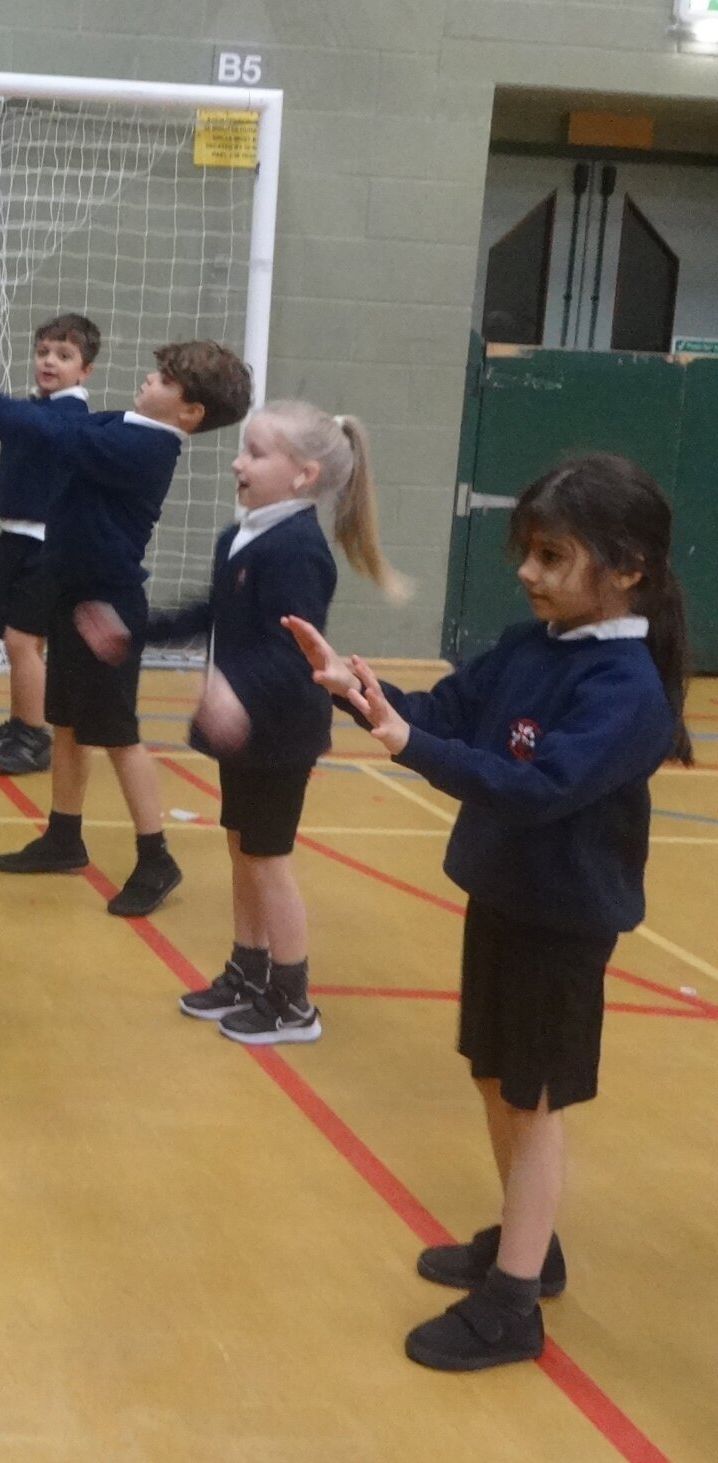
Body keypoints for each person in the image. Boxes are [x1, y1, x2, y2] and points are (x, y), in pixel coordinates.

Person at [286, 453, 689, 1370]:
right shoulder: (529, 646)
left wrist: (410, 746)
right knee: (493, 1075)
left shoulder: (625, 692)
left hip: (563, 918)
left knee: (535, 1099)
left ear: (626, 569)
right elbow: (451, 711)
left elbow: (537, 786)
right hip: (504, 895)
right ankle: (526, 1244)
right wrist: (368, 698)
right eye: (528, 553)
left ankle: (513, 1304)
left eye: (552, 556)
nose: (528, 573)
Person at [85, 400, 404, 1042]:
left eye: (257, 453)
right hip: (247, 733)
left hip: (281, 731)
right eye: (243, 450)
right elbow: (215, 612)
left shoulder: (299, 552)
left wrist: (237, 690)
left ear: (303, 475)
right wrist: (134, 632)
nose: (239, 461)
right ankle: (247, 970)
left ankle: (293, 1001)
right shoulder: (240, 538)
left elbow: (296, 650)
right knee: (241, 848)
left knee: (267, 859)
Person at [0, 339, 252, 914]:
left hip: (106, 611)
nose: (149, 378)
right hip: (71, 597)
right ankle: (65, 835)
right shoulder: (123, 423)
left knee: (118, 736)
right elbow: (49, 420)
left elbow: (52, 434)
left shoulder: (141, 446)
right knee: (65, 723)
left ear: (190, 412)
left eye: (166, 380)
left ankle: (156, 855)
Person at [0, 312, 98, 776]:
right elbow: (4, 421)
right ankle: (21, 724)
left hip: (48, 545)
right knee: (14, 641)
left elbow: (6, 419)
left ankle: (34, 737)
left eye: (64, 355)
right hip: (16, 538)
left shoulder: (69, 416)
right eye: (42, 352)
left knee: (24, 640)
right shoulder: (36, 410)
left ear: (85, 370)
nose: (49, 362)